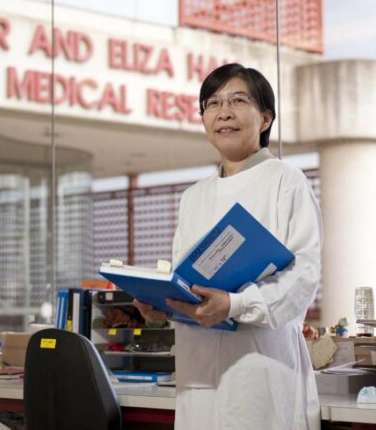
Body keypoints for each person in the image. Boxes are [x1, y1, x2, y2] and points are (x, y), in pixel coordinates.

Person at [134, 63, 322, 430]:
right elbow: (187, 282)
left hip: (260, 370)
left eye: (238, 100)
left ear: (265, 118)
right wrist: (164, 305)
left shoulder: (286, 182)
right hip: (198, 374)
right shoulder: (193, 197)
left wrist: (235, 304)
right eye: (213, 103)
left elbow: (304, 279)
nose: (224, 112)